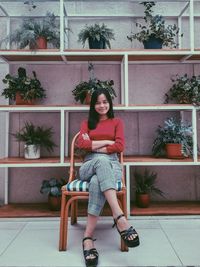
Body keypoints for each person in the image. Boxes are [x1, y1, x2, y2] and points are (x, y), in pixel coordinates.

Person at [77, 88, 140, 267]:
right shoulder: (86, 123)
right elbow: (82, 144)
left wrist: (94, 145)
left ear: (109, 103)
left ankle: (87, 238)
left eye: (105, 102)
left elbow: (119, 146)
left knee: (98, 180)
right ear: (93, 105)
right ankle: (119, 216)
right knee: (100, 164)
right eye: (98, 102)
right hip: (89, 165)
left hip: (111, 165)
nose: (102, 105)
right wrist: (106, 142)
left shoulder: (117, 122)